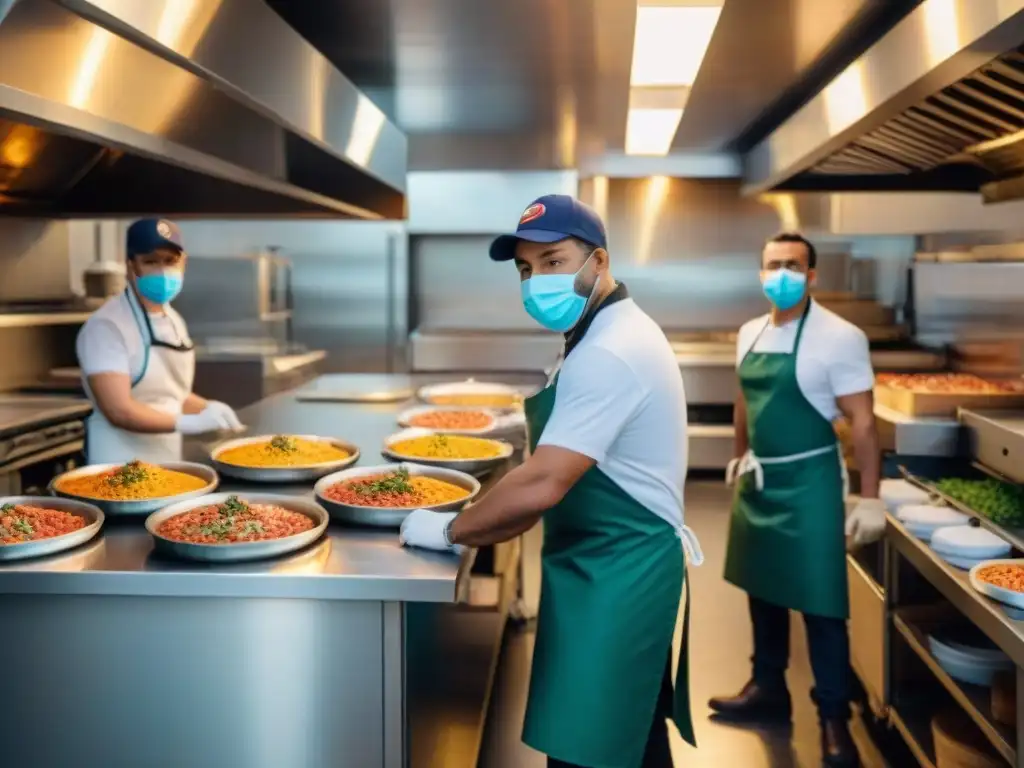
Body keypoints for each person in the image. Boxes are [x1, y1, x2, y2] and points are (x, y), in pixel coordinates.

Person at [398, 194, 702, 768]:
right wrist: (515, 421)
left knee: (592, 748)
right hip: (598, 564)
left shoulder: (610, 348)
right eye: (526, 269)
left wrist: (449, 531)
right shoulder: (603, 329)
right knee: (626, 736)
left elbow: (541, 484)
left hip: (619, 573)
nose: (537, 280)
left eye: (554, 261)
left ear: (599, 262)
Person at [709, 233, 885, 768]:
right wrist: (740, 454)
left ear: (812, 276)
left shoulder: (840, 337)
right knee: (762, 590)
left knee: (821, 603)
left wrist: (869, 498)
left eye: (792, 266)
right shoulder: (749, 332)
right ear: (760, 272)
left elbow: (862, 421)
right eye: (772, 265)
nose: (780, 274)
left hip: (810, 483)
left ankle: (833, 718)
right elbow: (744, 399)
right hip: (760, 480)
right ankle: (768, 688)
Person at [76, 218, 242, 464]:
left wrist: (207, 408)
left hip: (166, 459)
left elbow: (171, 394)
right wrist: (187, 422)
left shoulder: (173, 319)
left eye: (170, 260)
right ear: (131, 266)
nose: (163, 271)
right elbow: (118, 410)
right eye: (151, 261)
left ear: (183, 263)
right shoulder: (106, 326)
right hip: (117, 463)